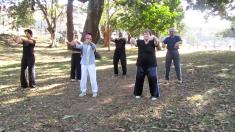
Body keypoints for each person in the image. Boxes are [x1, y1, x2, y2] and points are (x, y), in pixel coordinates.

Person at [130, 29, 161, 100]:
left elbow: (157, 43)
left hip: (151, 65)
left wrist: (154, 37)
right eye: (144, 34)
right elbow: (134, 42)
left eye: (147, 34)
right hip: (140, 65)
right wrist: (132, 40)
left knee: (153, 79)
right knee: (139, 79)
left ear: (150, 35)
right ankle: (138, 94)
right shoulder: (140, 42)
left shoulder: (152, 42)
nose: (145, 35)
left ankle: (154, 95)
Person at [67, 33, 98, 97]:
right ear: (85, 38)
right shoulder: (83, 45)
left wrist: (90, 43)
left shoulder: (93, 45)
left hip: (91, 64)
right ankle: (83, 91)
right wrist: (74, 43)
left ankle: (94, 92)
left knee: (93, 78)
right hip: (84, 64)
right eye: (87, 38)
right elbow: (77, 46)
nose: (88, 39)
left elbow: (94, 47)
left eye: (89, 38)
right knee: (83, 78)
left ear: (91, 39)